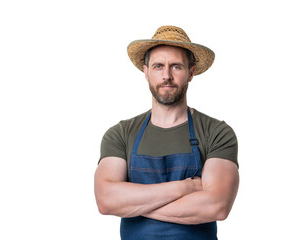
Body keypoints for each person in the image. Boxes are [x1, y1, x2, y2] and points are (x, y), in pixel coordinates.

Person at [94, 25, 239, 240]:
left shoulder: (216, 133)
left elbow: (216, 206)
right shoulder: (120, 134)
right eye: (158, 66)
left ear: (191, 72)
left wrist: (133, 205)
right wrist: (185, 187)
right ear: (146, 72)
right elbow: (106, 200)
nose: (167, 76)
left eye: (176, 67)